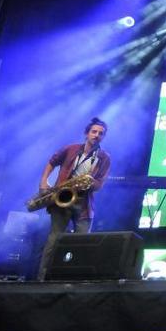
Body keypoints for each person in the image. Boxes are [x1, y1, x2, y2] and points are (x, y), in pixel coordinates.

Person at [37, 117, 111, 280]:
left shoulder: (104, 158)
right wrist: (44, 182)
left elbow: (99, 185)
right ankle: (42, 278)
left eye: (101, 133)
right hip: (62, 198)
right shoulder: (71, 148)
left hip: (84, 204)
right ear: (86, 134)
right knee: (54, 240)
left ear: (103, 137)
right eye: (94, 132)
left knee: (82, 244)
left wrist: (90, 183)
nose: (97, 135)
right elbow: (52, 162)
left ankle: (75, 279)